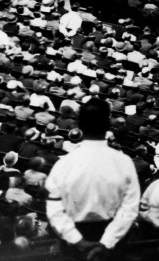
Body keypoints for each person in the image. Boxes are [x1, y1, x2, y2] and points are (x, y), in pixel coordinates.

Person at [45, 98, 141, 259]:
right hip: (113, 240)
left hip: (74, 242)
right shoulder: (124, 162)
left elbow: (55, 209)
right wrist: (107, 241)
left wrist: (77, 240)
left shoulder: (63, 164)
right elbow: (128, 210)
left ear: (79, 125)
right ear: (108, 125)